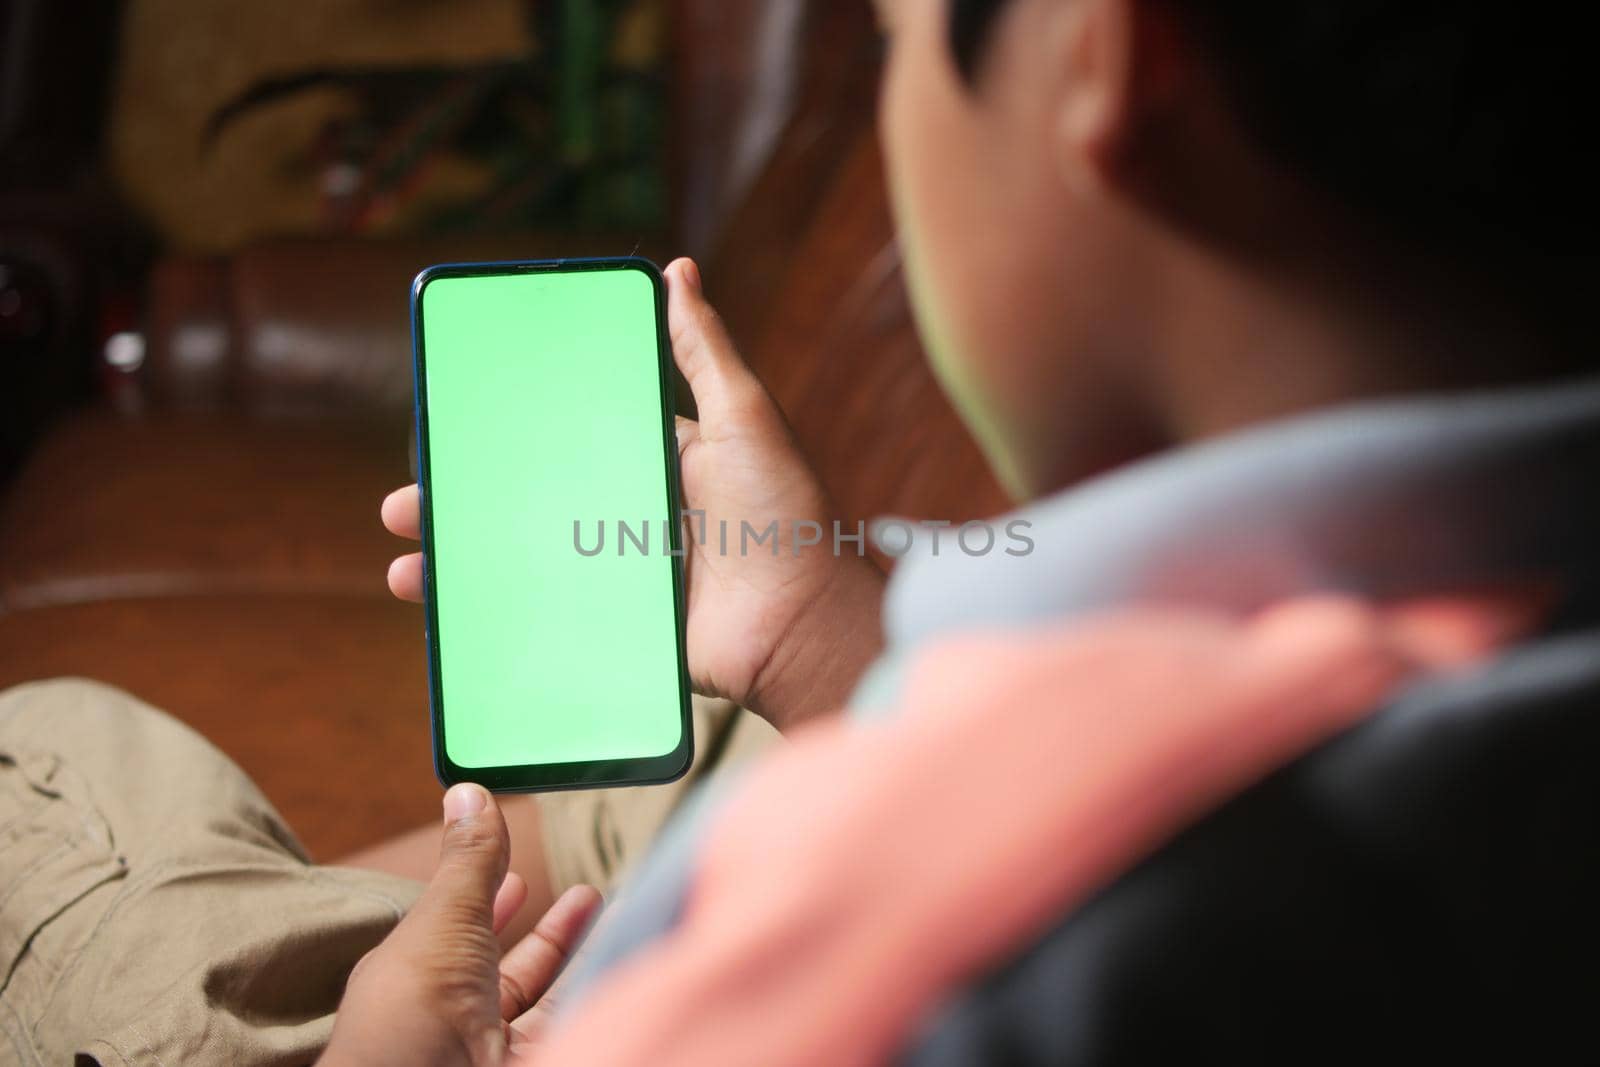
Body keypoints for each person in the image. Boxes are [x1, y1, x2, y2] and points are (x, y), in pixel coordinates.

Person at [4, 0, 1597, 1062]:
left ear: (1106, 60)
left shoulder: (947, 925)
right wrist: (825, 644)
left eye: (898, 37)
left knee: (41, 769)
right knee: (673, 744)